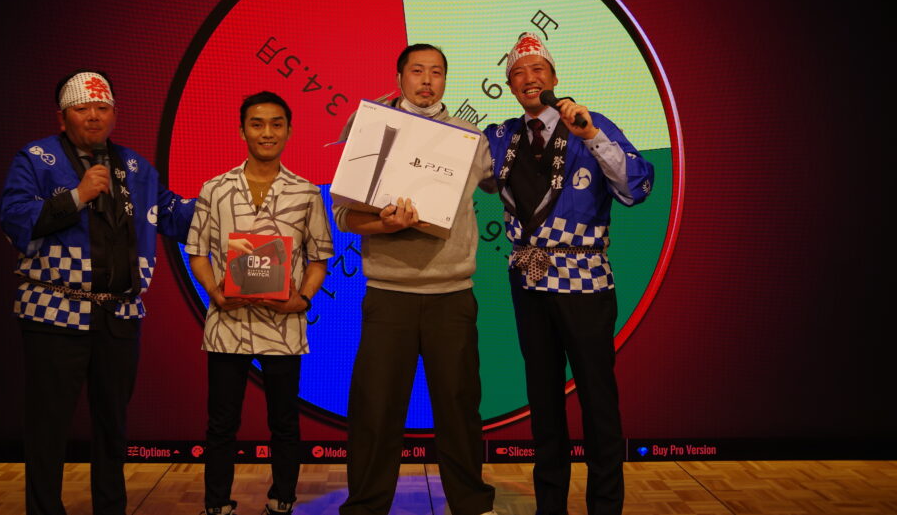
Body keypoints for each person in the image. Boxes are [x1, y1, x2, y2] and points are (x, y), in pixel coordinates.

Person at [0, 70, 196, 515]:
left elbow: (172, 213)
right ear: (61, 116)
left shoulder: (135, 167)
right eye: (82, 108)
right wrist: (76, 196)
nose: (93, 116)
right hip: (53, 312)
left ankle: (111, 508)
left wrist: (229, 208)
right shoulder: (36, 159)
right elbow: (13, 217)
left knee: (113, 425)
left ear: (114, 114)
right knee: (48, 424)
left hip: (119, 315)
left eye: (102, 107)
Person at [482, 33, 655, 515]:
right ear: (510, 87)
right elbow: (447, 162)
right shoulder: (501, 136)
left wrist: (592, 136)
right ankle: (550, 506)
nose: (529, 78)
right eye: (518, 73)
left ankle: (605, 506)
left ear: (554, 78)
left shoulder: (589, 124)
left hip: (585, 279)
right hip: (529, 279)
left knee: (597, 398)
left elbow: (635, 189)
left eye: (538, 70)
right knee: (543, 400)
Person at [335, 44, 498, 515]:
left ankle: (472, 504)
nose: (427, 81)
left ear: (445, 80)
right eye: (417, 71)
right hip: (389, 294)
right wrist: (384, 225)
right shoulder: (371, 128)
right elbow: (344, 216)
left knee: (459, 407)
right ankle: (365, 507)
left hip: (452, 294)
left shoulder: (471, 138)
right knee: (375, 410)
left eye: (437, 72)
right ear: (399, 77)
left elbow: (504, 185)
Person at [185, 91, 334, 515]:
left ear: (288, 131)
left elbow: (320, 257)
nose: (267, 132)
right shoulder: (214, 189)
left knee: (284, 422)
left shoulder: (306, 192)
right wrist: (215, 292)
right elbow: (197, 252)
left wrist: (302, 299)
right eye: (257, 123)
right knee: (221, 424)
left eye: (276, 124)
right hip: (227, 324)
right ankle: (217, 505)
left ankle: (282, 500)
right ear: (242, 131)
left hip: (283, 326)